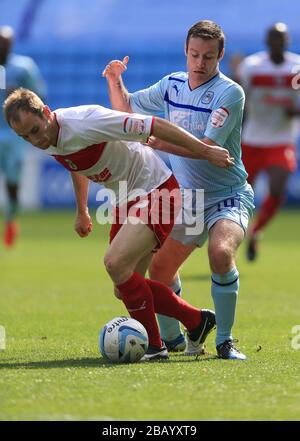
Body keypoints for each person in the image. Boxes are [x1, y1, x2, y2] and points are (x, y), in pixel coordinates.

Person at [3, 87, 233, 360]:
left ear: (45, 112)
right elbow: (75, 164)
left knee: (115, 264)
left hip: (157, 189)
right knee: (123, 285)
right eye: (25, 136)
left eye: (34, 129)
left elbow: (155, 125)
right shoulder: (49, 137)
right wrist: (82, 210)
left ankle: (155, 346)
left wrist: (206, 150)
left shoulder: (86, 121)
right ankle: (196, 321)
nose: (34, 139)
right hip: (127, 199)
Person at [103, 19, 254, 359]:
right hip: (187, 198)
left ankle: (224, 341)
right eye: (195, 55)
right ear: (185, 52)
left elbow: (207, 148)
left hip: (227, 195)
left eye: (209, 57)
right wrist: (115, 80)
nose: (200, 64)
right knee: (159, 270)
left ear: (221, 56)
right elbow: (126, 108)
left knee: (220, 253)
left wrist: (158, 141)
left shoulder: (231, 92)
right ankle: (178, 341)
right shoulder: (171, 85)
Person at [236, 23, 300, 261]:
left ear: (288, 41)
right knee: (241, 193)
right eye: (274, 39)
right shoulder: (252, 67)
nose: (279, 43)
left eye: (282, 39)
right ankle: (235, 234)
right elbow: (238, 101)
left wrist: (294, 112)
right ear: (267, 41)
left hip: (281, 140)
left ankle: (256, 231)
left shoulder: (297, 68)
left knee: (277, 189)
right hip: (252, 139)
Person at [0, 26, 46, 247]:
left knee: (12, 183)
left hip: (13, 135)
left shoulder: (23, 67)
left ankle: (10, 220)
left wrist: (19, 96)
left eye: (5, 42)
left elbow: (39, 95)